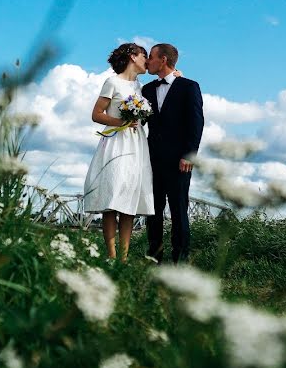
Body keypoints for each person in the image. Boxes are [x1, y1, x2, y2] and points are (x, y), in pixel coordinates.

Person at [83, 43, 155, 261]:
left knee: (129, 200)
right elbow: (96, 114)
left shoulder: (141, 87)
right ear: (133, 57)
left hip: (136, 144)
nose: (147, 61)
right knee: (112, 196)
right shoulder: (112, 82)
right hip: (116, 140)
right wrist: (121, 121)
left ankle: (123, 258)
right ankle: (112, 256)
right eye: (144, 56)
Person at [142, 43, 204, 265]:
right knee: (153, 210)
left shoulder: (189, 87)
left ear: (164, 60)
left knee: (179, 210)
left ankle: (180, 260)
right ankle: (154, 257)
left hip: (180, 161)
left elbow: (196, 123)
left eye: (151, 57)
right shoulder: (146, 90)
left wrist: (189, 155)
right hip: (151, 160)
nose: (148, 61)